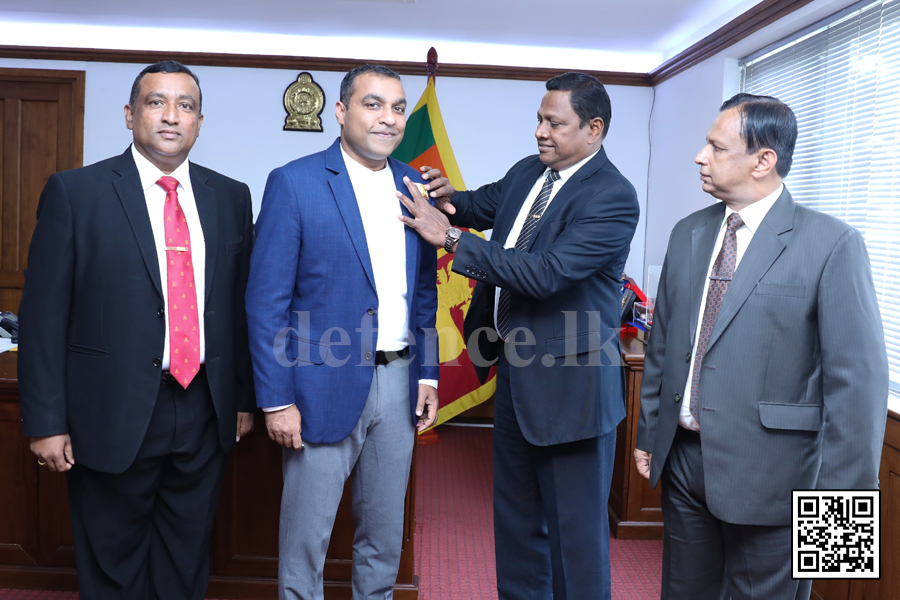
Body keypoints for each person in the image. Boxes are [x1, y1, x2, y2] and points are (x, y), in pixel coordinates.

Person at [633, 94, 888, 600]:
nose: (699, 156)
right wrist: (649, 431)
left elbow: (857, 383)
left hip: (781, 478)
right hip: (685, 463)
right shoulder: (688, 234)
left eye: (716, 146)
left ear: (763, 160)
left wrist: (839, 524)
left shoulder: (833, 243)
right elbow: (664, 344)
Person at [18, 61, 256, 599]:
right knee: (113, 563)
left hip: (203, 409)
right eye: (156, 102)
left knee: (185, 556)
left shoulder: (230, 198)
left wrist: (242, 396)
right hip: (110, 410)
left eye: (186, 106)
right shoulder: (76, 193)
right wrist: (46, 421)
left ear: (199, 122)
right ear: (130, 115)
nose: (171, 116)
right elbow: (42, 317)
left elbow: (237, 309)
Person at [398, 71, 639, 600]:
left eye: (555, 123)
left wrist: (452, 238)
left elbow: (545, 272)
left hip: (572, 391)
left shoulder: (613, 196)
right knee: (516, 526)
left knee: (574, 542)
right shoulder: (530, 171)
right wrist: (444, 199)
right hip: (514, 374)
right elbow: (478, 204)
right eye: (538, 118)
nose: (539, 132)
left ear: (594, 129)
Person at [245, 64, 440, 600]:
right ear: (340, 111)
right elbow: (266, 304)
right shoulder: (295, 182)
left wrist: (428, 375)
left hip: (398, 387)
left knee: (382, 538)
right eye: (373, 104)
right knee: (306, 542)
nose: (389, 118)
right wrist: (276, 399)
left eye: (397, 108)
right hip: (317, 387)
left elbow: (423, 291)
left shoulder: (413, 184)